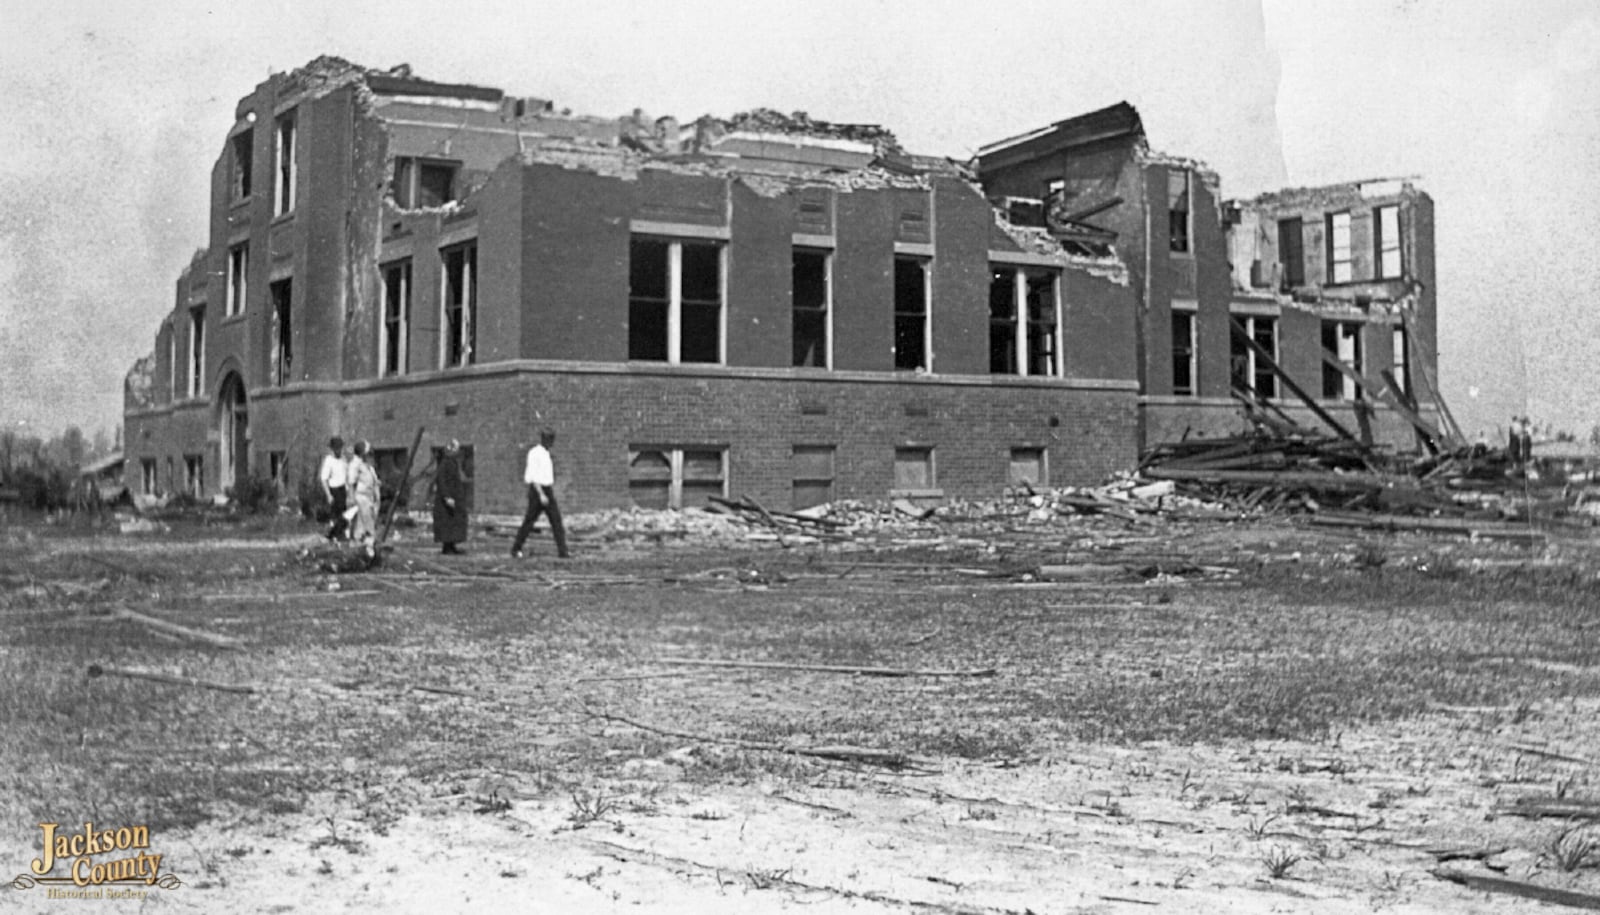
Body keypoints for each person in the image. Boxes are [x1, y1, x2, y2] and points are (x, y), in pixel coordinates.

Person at [510, 428, 570, 559]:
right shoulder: (534, 453)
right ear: (545, 439)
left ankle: (563, 551)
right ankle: (516, 548)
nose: (552, 443)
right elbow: (532, 476)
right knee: (529, 521)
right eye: (550, 439)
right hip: (537, 491)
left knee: (556, 520)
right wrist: (541, 494)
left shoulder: (546, 454)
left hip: (547, 489)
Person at [433, 439, 469, 555]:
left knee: (453, 524)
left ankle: (451, 546)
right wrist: (447, 497)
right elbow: (442, 481)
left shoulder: (452, 462)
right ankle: (447, 547)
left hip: (453, 499)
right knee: (447, 524)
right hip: (447, 502)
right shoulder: (445, 463)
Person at [347, 440, 382, 548]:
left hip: (370, 497)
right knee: (362, 522)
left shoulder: (367, 466)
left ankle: (369, 542)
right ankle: (361, 543)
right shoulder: (355, 465)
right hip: (361, 497)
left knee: (370, 520)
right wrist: (352, 498)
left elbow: (374, 480)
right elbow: (352, 482)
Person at [320, 436, 350, 541]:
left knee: (343, 513)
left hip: (342, 489)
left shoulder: (343, 459)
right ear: (332, 449)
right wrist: (328, 495)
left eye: (340, 448)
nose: (339, 450)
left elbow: (346, 475)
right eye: (336, 448)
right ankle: (330, 535)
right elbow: (324, 479)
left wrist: (348, 489)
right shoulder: (329, 460)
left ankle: (340, 534)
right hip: (334, 490)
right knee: (334, 514)